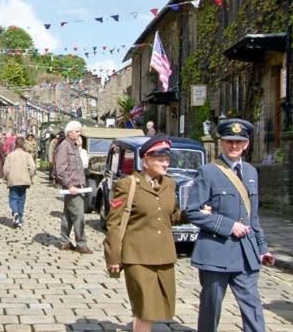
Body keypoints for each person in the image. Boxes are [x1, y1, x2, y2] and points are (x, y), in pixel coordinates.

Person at [186, 119, 275, 332]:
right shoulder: (208, 172)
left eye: (239, 141)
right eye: (229, 141)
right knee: (212, 306)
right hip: (216, 252)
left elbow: (253, 217)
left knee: (253, 306)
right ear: (221, 143)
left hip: (246, 253)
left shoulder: (252, 172)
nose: (234, 146)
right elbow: (193, 212)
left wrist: (262, 249)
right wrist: (229, 226)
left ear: (246, 144)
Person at [104, 135, 186, 332]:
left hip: (164, 256)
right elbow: (114, 223)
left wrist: (190, 214)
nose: (165, 164)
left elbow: (170, 216)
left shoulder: (170, 184)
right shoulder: (128, 184)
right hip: (138, 257)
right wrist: (114, 256)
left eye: (167, 159)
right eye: (160, 159)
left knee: (160, 309)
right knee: (145, 309)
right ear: (146, 160)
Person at [55, 121, 91, 254]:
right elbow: (60, 169)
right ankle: (81, 244)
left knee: (68, 216)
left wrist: (80, 147)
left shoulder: (73, 146)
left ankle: (64, 242)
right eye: (77, 131)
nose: (79, 133)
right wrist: (69, 185)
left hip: (77, 185)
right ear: (70, 132)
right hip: (73, 187)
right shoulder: (65, 146)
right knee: (78, 216)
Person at [3, 137, 36, 228]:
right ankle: (19, 220)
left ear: (15, 145)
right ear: (23, 145)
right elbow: (33, 167)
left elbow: (6, 169)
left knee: (13, 198)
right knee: (21, 200)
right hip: (24, 180)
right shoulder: (27, 155)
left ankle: (15, 212)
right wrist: (29, 176)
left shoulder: (10, 155)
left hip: (13, 180)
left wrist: (7, 177)